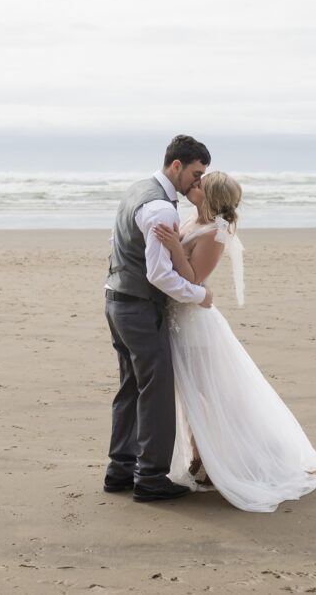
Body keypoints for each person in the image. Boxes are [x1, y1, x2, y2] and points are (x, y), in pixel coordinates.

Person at [153, 171, 316, 512]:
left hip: (194, 325)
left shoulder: (216, 233)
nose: (193, 185)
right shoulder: (193, 219)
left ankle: (250, 457)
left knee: (211, 395)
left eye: (199, 185)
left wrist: (174, 245)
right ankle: (198, 458)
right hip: (178, 320)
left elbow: (194, 278)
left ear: (211, 195)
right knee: (189, 394)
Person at [103, 135, 214, 502]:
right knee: (157, 391)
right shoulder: (161, 209)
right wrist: (201, 295)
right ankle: (150, 478)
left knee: (130, 387)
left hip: (116, 298)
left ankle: (119, 471)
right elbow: (160, 275)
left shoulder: (138, 190)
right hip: (137, 305)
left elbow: (116, 242)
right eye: (196, 174)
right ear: (177, 165)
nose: (198, 183)